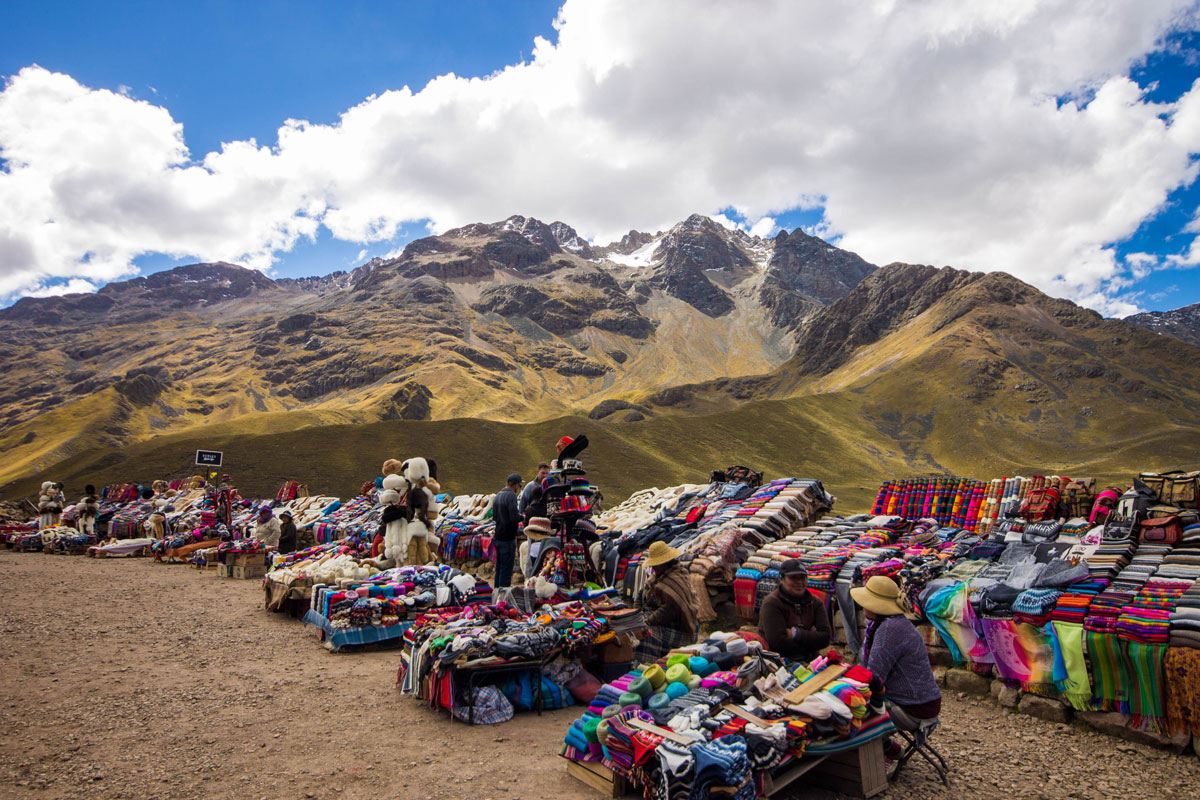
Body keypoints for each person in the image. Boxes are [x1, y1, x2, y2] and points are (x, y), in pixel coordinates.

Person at [852, 575, 942, 760]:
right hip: (926, 702)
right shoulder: (890, 624)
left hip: (915, 709)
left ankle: (884, 751)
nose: (863, 606)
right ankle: (885, 748)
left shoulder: (889, 630)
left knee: (855, 709)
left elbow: (873, 677)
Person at [634, 541, 700, 661]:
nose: (653, 568)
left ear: (665, 563)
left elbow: (669, 610)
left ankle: (650, 664)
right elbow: (641, 594)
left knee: (647, 634)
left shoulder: (676, 577)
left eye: (656, 565)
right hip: (662, 621)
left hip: (680, 628)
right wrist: (635, 614)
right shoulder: (656, 578)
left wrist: (645, 623)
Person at [758, 559, 832, 661]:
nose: (799, 582)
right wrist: (812, 637)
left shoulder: (815, 603)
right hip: (780, 664)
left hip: (812, 661)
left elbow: (825, 638)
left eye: (802, 577)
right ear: (782, 579)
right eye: (793, 578)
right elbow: (778, 644)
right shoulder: (772, 603)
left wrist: (796, 634)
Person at [492, 473, 522, 588]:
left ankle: (496, 593)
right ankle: (503, 599)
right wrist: (522, 517)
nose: (518, 489)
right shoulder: (511, 496)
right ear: (515, 485)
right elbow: (514, 517)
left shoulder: (498, 495)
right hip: (508, 539)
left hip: (498, 536)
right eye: (519, 486)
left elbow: (494, 517)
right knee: (506, 570)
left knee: (499, 568)